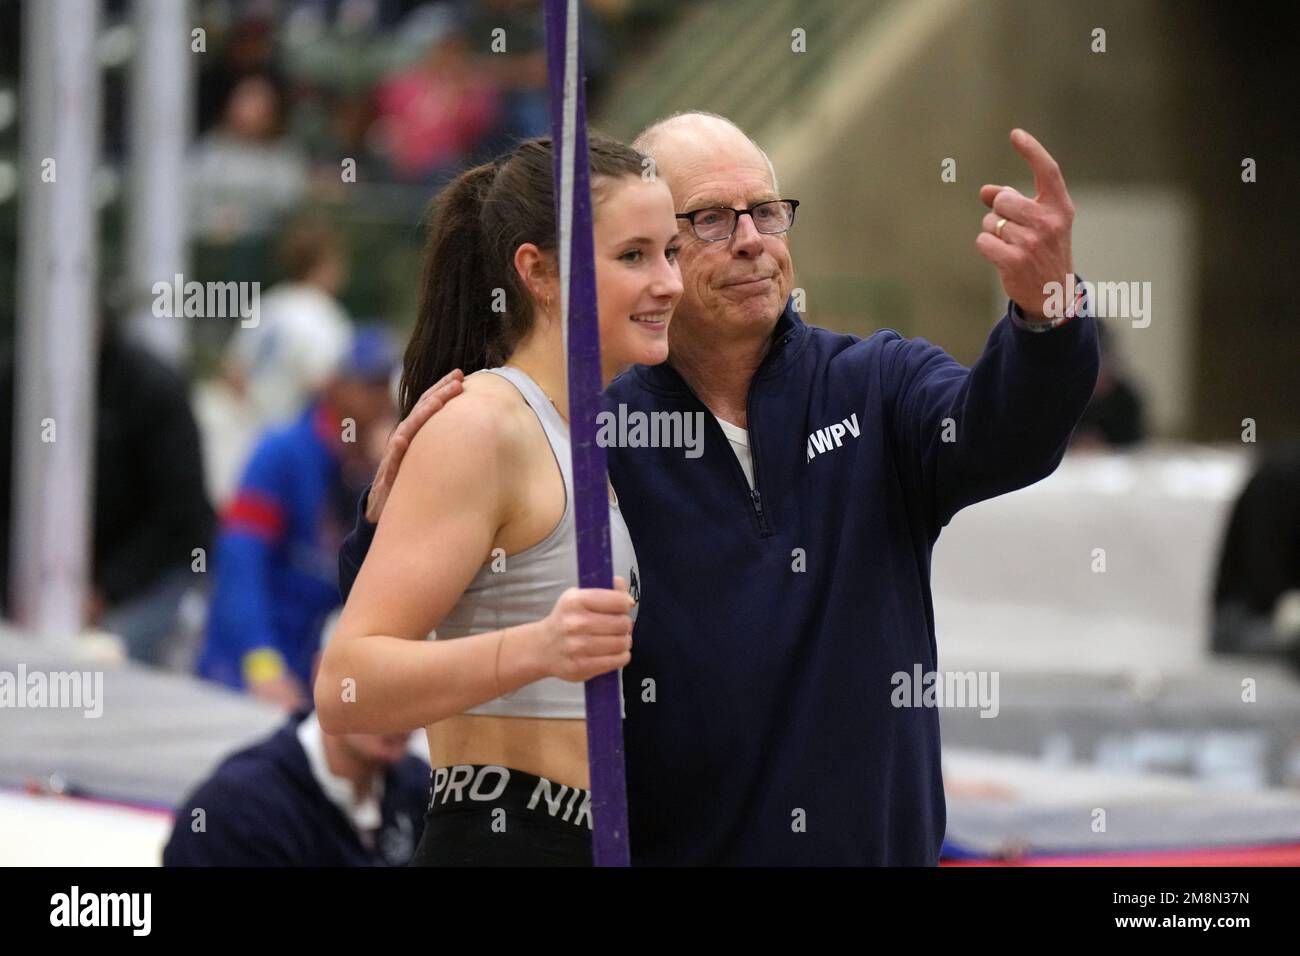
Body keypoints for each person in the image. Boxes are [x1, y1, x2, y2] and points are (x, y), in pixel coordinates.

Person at [340, 112, 1100, 866]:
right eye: (706, 221)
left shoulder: (877, 385)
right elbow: (412, 622)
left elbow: (1009, 435)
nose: (751, 239)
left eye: (767, 211)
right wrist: (381, 527)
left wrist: (1048, 309)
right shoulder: (583, 429)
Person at [315, 135, 683, 866]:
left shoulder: (583, 432)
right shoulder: (482, 425)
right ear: (538, 273)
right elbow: (346, 685)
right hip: (502, 839)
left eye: (671, 251)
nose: (669, 281)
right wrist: (537, 647)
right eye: (634, 256)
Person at [198, 326, 399, 711]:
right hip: (248, 663)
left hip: (314, 670)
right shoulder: (281, 453)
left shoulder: (377, 467)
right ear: (334, 387)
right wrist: (261, 663)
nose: (377, 403)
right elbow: (241, 564)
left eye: (383, 389)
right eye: (367, 387)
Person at [165, 617, 428, 867]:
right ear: (322, 673)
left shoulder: (422, 790)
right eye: (375, 683)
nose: (396, 708)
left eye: (416, 687)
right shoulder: (238, 808)